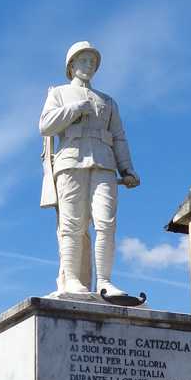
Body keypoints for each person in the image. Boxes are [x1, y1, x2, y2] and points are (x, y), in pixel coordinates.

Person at [39, 41, 140, 297]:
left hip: (104, 164)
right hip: (70, 162)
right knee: (72, 224)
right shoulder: (59, 93)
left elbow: (119, 136)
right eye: (83, 61)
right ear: (71, 66)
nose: (89, 66)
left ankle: (105, 281)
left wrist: (127, 169)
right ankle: (72, 279)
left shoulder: (107, 101)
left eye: (92, 62)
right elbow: (45, 125)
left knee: (106, 223)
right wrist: (74, 109)